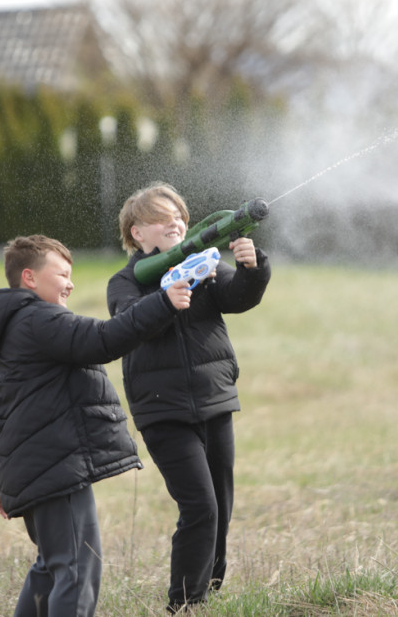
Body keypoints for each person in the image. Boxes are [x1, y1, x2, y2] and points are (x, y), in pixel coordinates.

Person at [0, 234, 192, 617]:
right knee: (75, 567)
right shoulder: (39, 318)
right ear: (30, 278)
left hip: (31, 470)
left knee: (52, 566)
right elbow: (103, 339)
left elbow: (1, 414)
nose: (71, 282)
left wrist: (2, 481)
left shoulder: (2, 330)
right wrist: (163, 301)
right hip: (56, 468)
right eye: (63, 273)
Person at [106, 183, 271, 613]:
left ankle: (210, 589)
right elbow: (127, 323)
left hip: (215, 399)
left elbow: (237, 298)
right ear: (137, 233)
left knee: (221, 502)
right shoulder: (125, 282)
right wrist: (165, 299)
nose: (175, 222)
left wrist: (253, 269)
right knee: (199, 506)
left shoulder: (204, 265)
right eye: (161, 218)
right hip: (163, 411)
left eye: (179, 215)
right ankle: (184, 604)